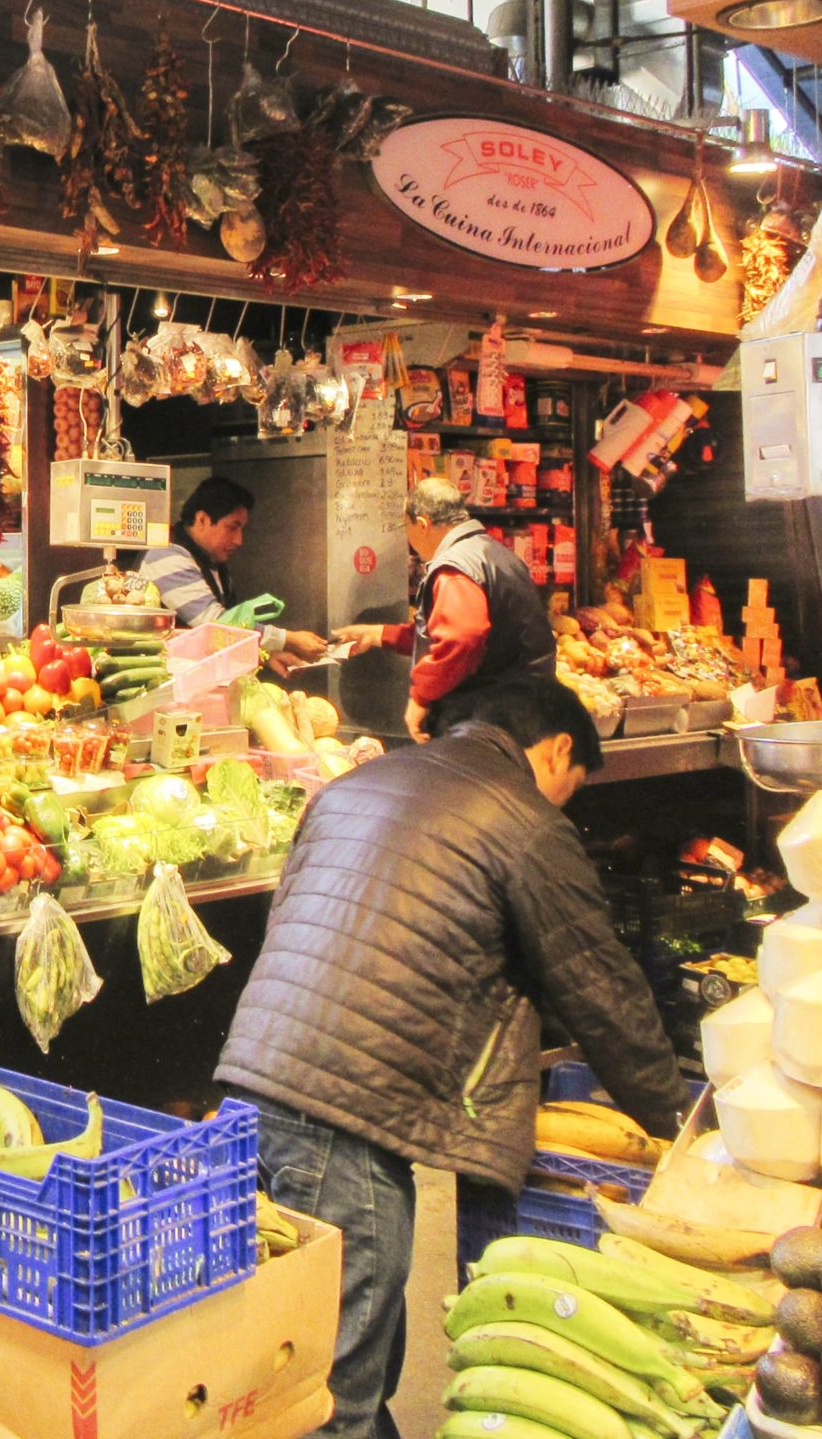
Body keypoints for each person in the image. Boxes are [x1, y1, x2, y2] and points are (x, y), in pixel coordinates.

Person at [215, 675, 682, 1439]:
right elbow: (602, 990)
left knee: (299, 1351)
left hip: (256, 1080)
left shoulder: (355, 786)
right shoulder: (526, 822)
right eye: (573, 785)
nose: (566, 802)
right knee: (332, 1390)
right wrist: (676, 1121)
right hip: (348, 1115)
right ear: (560, 748)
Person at [335, 474, 556, 741]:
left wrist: (421, 696)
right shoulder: (497, 555)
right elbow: (454, 635)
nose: (409, 539)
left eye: (406, 526)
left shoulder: (455, 568)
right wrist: (380, 634)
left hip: (487, 725)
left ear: (423, 524)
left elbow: (463, 636)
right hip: (521, 714)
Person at [138, 476, 326, 677]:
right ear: (202, 519)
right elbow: (215, 624)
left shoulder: (214, 565)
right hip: (161, 684)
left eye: (241, 529)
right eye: (232, 527)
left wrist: (266, 656)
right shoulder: (166, 556)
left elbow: (222, 638)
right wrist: (287, 638)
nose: (239, 540)